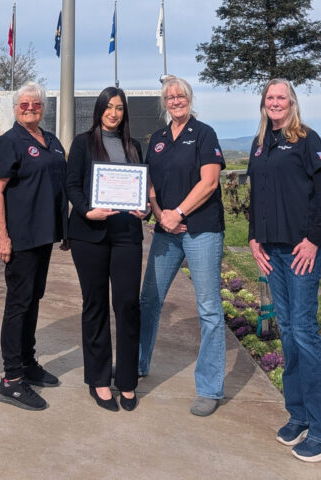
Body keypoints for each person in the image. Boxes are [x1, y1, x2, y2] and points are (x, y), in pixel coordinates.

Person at [247, 78, 321, 463]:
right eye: (269, 97)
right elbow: (257, 194)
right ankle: (299, 414)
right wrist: (254, 238)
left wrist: (314, 239)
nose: (275, 102)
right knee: (287, 331)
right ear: (264, 104)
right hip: (271, 250)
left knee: (303, 331)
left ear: (291, 102)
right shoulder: (260, 144)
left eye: (281, 97)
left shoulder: (306, 139)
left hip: (300, 250)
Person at [138, 75, 226, 416]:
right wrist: (160, 214)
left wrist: (178, 213)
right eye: (170, 97)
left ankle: (209, 388)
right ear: (164, 103)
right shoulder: (157, 139)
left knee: (208, 308)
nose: (175, 100)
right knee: (149, 300)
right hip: (165, 230)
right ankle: (138, 364)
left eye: (181, 95)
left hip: (200, 231)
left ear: (189, 99)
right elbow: (150, 184)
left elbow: (210, 182)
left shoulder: (204, 134)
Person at [66, 87, 148, 412]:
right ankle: (99, 380)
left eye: (119, 108)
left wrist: (146, 209)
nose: (114, 113)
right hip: (90, 234)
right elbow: (71, 184)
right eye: (109, 107)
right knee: (96, 305)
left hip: (127, 234)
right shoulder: (83, 143)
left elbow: (143, 189)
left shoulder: (134, 146)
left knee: (128, 305)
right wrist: (87, 210)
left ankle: (126, 381)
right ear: (99, 109)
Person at [0, 82, 68, 411]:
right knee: (18, 305)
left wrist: (63, 229)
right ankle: (11, 379)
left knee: (33, 300)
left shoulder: (51, 141)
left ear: (43, 108)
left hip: (44, 237)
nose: (30, 109)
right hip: (20, 239)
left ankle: (27, 362)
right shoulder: (9, 143)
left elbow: (58, 186)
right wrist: (2, 237)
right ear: (15, 109)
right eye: (24, 105)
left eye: (35, 105)